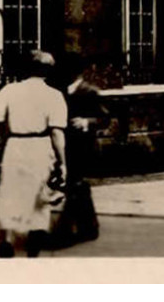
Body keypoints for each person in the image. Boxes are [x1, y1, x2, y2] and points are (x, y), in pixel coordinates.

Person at [0, 50, 68, 258]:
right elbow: (56, 132)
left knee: (11, 191)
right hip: (40, 146)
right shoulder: (54, 95)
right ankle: (35, 238)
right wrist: (62, 162)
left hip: (14, 145)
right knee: (40, 193)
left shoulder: (8, 90)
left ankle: (7, 240)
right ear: (48, 71)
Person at [50, 58, 103, 248]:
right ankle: (89, 228)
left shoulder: (90, 91)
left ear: (77, 73)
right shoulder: (61, 92)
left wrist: (86, 122)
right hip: (67, 145)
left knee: (74, 187)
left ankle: (62, 233)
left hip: (84, 146)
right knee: (78, 188)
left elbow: (104, 118)